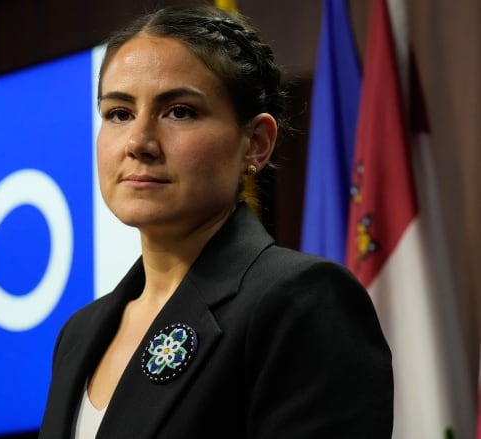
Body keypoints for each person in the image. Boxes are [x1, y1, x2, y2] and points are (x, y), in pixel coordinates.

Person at [38, 4, 393, 438]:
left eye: (180, 111)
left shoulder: (301, 300)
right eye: (119, 113)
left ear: (256, 144)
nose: (139, 142)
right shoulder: (78, 335)